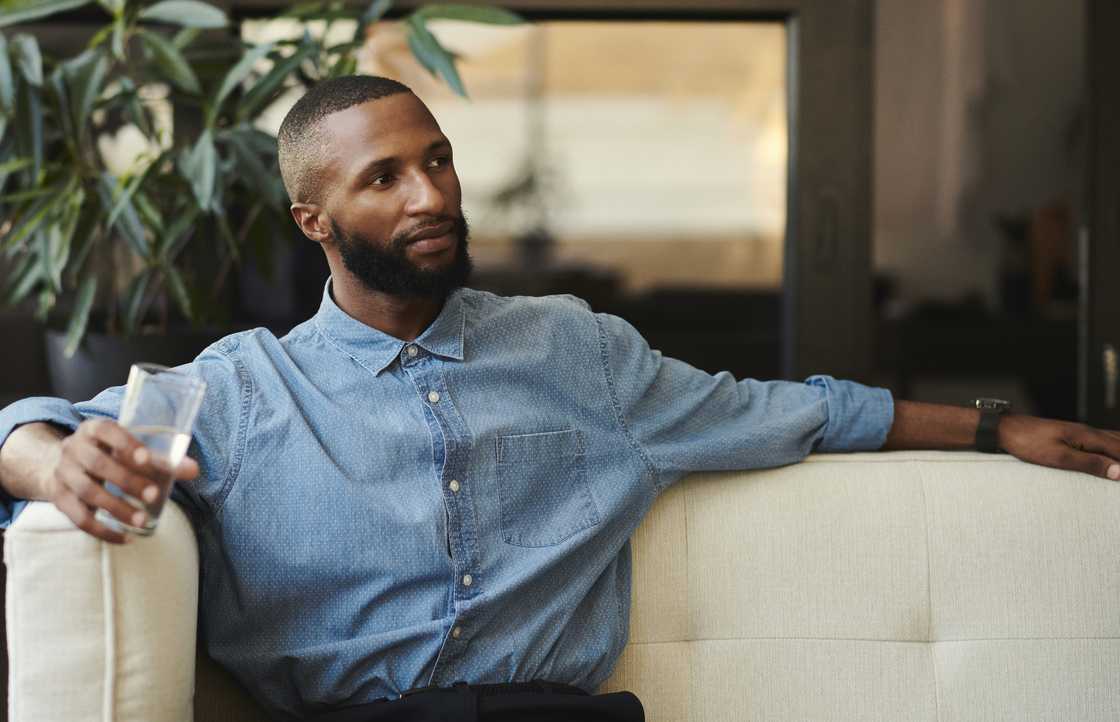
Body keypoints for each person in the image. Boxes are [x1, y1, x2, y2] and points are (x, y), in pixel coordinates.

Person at [1, 75, 1118, 722]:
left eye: (435, 160)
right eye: (383, 178)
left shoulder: (574, 350)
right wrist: (52, 462)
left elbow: (795, 407)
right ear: (314, 220)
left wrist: (991, 425)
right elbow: (19, 428)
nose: (430, 193)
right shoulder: (243, 387)